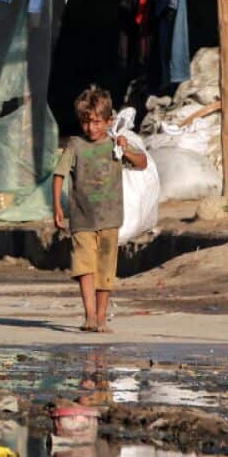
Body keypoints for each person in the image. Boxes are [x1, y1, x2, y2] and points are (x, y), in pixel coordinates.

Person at [52, 85, 147, 333]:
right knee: (84, 268)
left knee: (105, 271)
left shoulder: (115, 145)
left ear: (109, 121)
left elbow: (142, 163)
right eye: (85, 122)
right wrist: (57, 208)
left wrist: (126, 148)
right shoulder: (75, 145)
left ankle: (102, 317)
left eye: (96, 122)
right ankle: (90, 316)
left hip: (110, 219)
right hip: (82, 218)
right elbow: (59, 174)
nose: (90, 128)